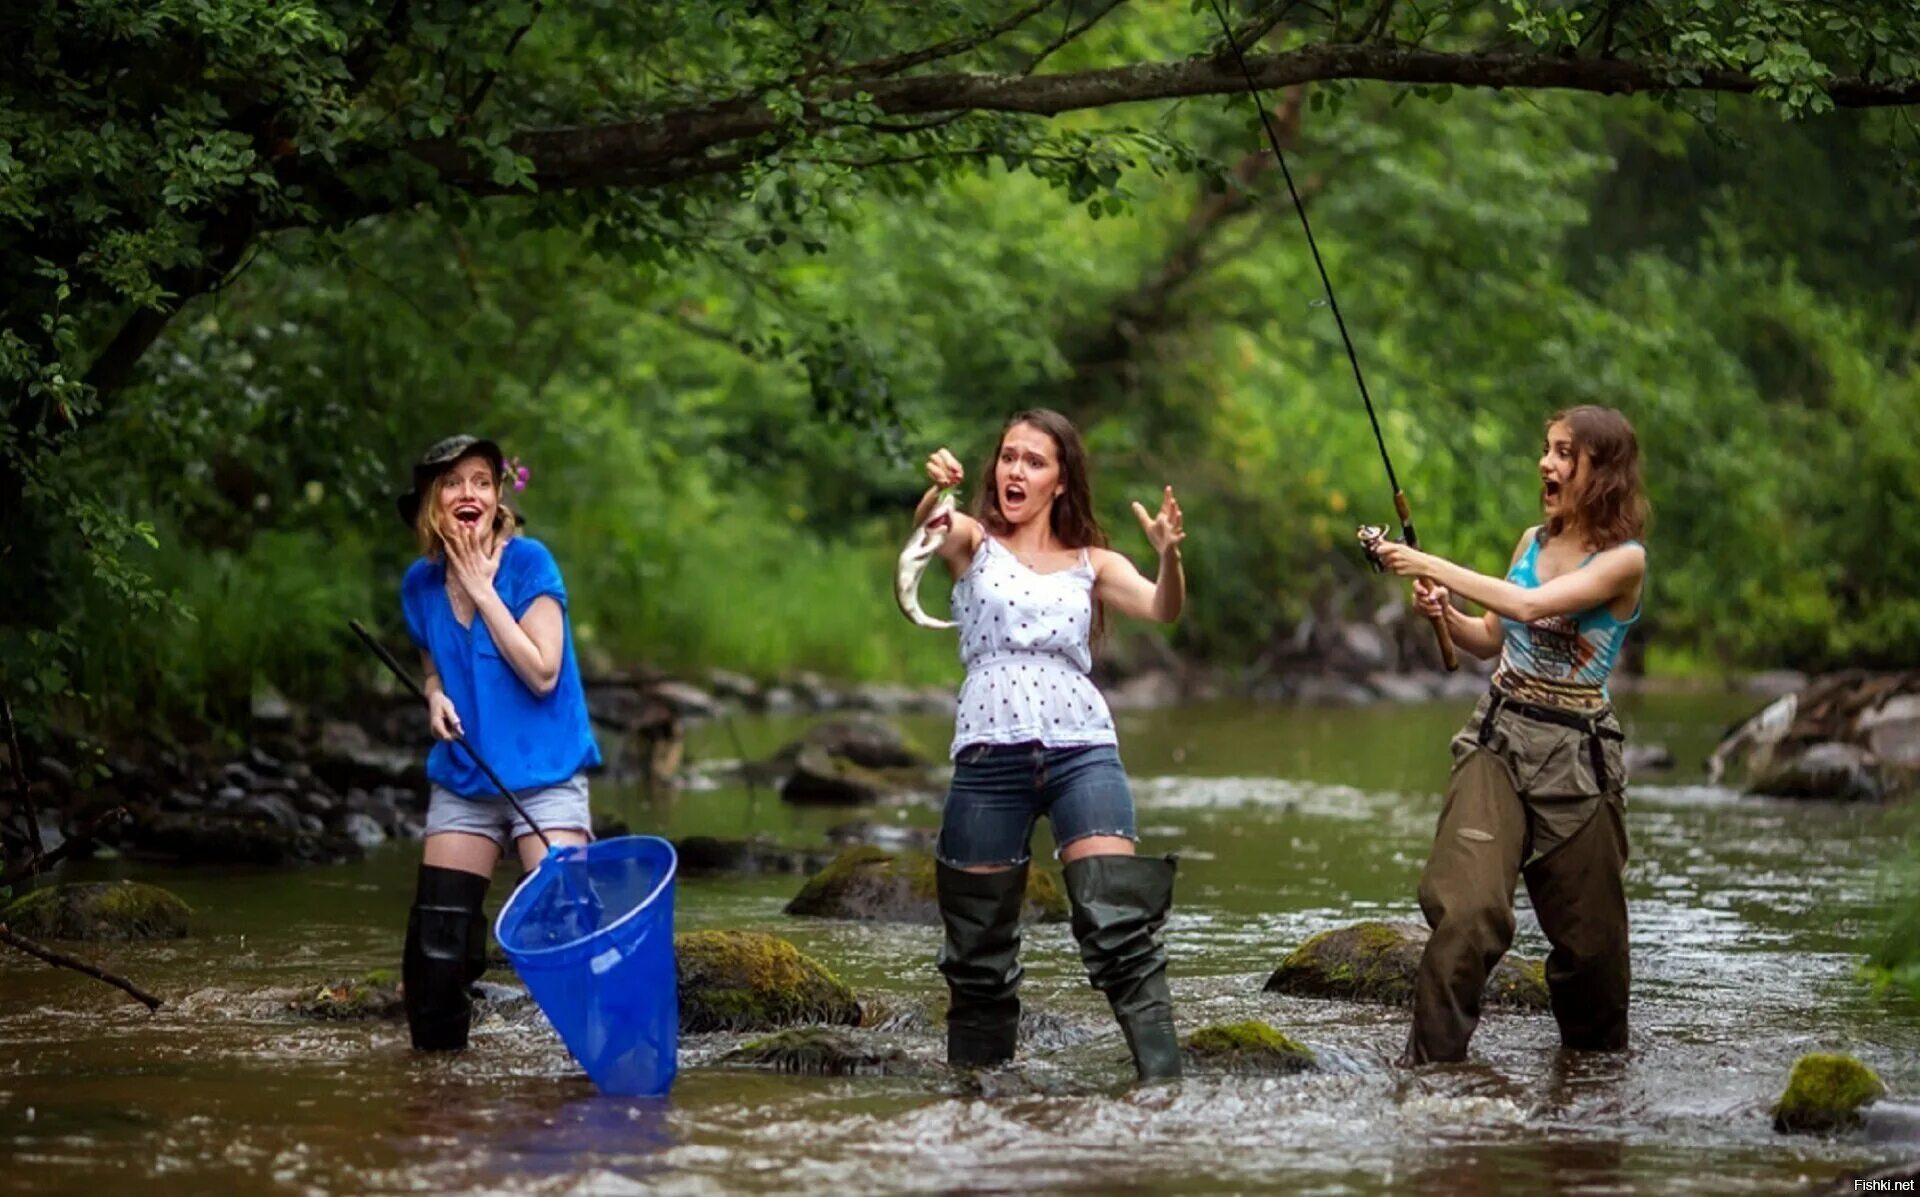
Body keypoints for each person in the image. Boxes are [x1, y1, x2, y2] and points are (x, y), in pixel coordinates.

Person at [913, 408, 1188, 1080]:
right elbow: (931, 528)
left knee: (1116, 919)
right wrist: (936, 491)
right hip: (987, 751)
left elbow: (1163, 608)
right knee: (977, 951)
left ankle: (1165, 1088)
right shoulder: (974, 540)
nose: (1016, 470)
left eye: (1035, 461)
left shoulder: (1094, 562)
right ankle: (978, 1103)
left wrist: (1169, 555)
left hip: (1081, 746)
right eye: (1009, 456)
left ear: (1061, 480)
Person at [1373, 405, 1648, 1065]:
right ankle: (1431, 1073)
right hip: (1497, 739)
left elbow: (1525, 605)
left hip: (1578, 760)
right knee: (1465, 914)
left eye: (1563, 453)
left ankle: (1591, 1093)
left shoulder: (1623, 561)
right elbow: (1489, 638)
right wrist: (1448, 612)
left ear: (1600, 471)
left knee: (1593, 956)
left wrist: (1420, 560)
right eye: (1546, 450)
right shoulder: (1530, 542)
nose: (1545, 465)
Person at [392, 435, 600, 1051]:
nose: (469, 493)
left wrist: (484, 591)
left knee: (569, 936)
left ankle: (588, 1081)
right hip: (465, 775)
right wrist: (433, 695)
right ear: (433, 501)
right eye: (453, 483)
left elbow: (543, 672)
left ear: (497, 496)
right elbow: (434, 664)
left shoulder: (531, 563)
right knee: (435, 955)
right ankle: (442, 1097)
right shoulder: (420, 584)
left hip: (546, 774)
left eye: (481, 481)